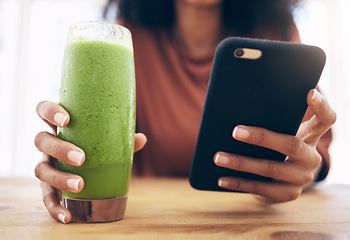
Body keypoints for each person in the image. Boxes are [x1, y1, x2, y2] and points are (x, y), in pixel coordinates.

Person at [34, 0, 336, 224]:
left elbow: (314, 144)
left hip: (248, 221)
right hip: (145, 223)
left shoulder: (276, 34)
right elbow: (100, 135)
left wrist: (302, 169)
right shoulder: (123, 39)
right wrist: (67, 150)